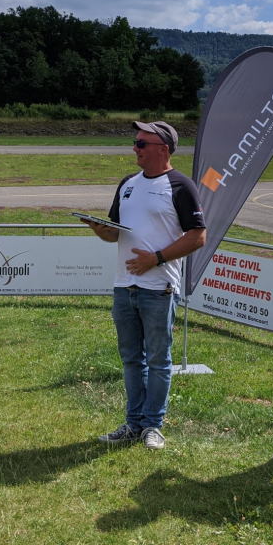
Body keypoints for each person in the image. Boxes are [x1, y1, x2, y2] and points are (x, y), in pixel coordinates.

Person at [81, 120, 206, 450]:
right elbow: (115, 233)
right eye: (135, 142)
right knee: (131, 359)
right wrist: (99, 229)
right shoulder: (128, 184)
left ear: (163, 149)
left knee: (158, 360)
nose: (134, 148)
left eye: (141, 144)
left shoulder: (180, 186)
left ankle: (153, 425)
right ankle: (133, 423)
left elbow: (198, 236)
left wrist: (157, 258)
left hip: (159, 288)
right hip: (124, 286)